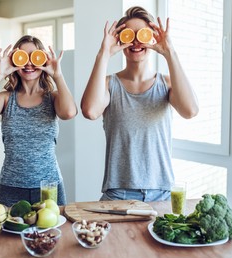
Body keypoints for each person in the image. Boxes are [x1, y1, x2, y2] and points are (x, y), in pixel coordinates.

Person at [81, 6, 199, 202]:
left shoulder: (167, 83)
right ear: (120, 40)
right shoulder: (109, 85)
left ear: (152, 38)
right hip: (117, 194)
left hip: (162, 193)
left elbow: (190, 110)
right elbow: (90, 111)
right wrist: (104, 53)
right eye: (129, 35)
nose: (135, 41)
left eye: (141, 34)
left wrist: (170, 52)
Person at [0, 35, 77, 207]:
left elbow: (69, 112)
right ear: (14, 61)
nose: (28, 63)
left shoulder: (53, 97)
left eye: (34, 57)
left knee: (52, 234)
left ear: (43, 59)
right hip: (10, 187)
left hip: (48, 188)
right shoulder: (6, 99)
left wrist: (58, 75)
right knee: (9, 234)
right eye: (22, 57)